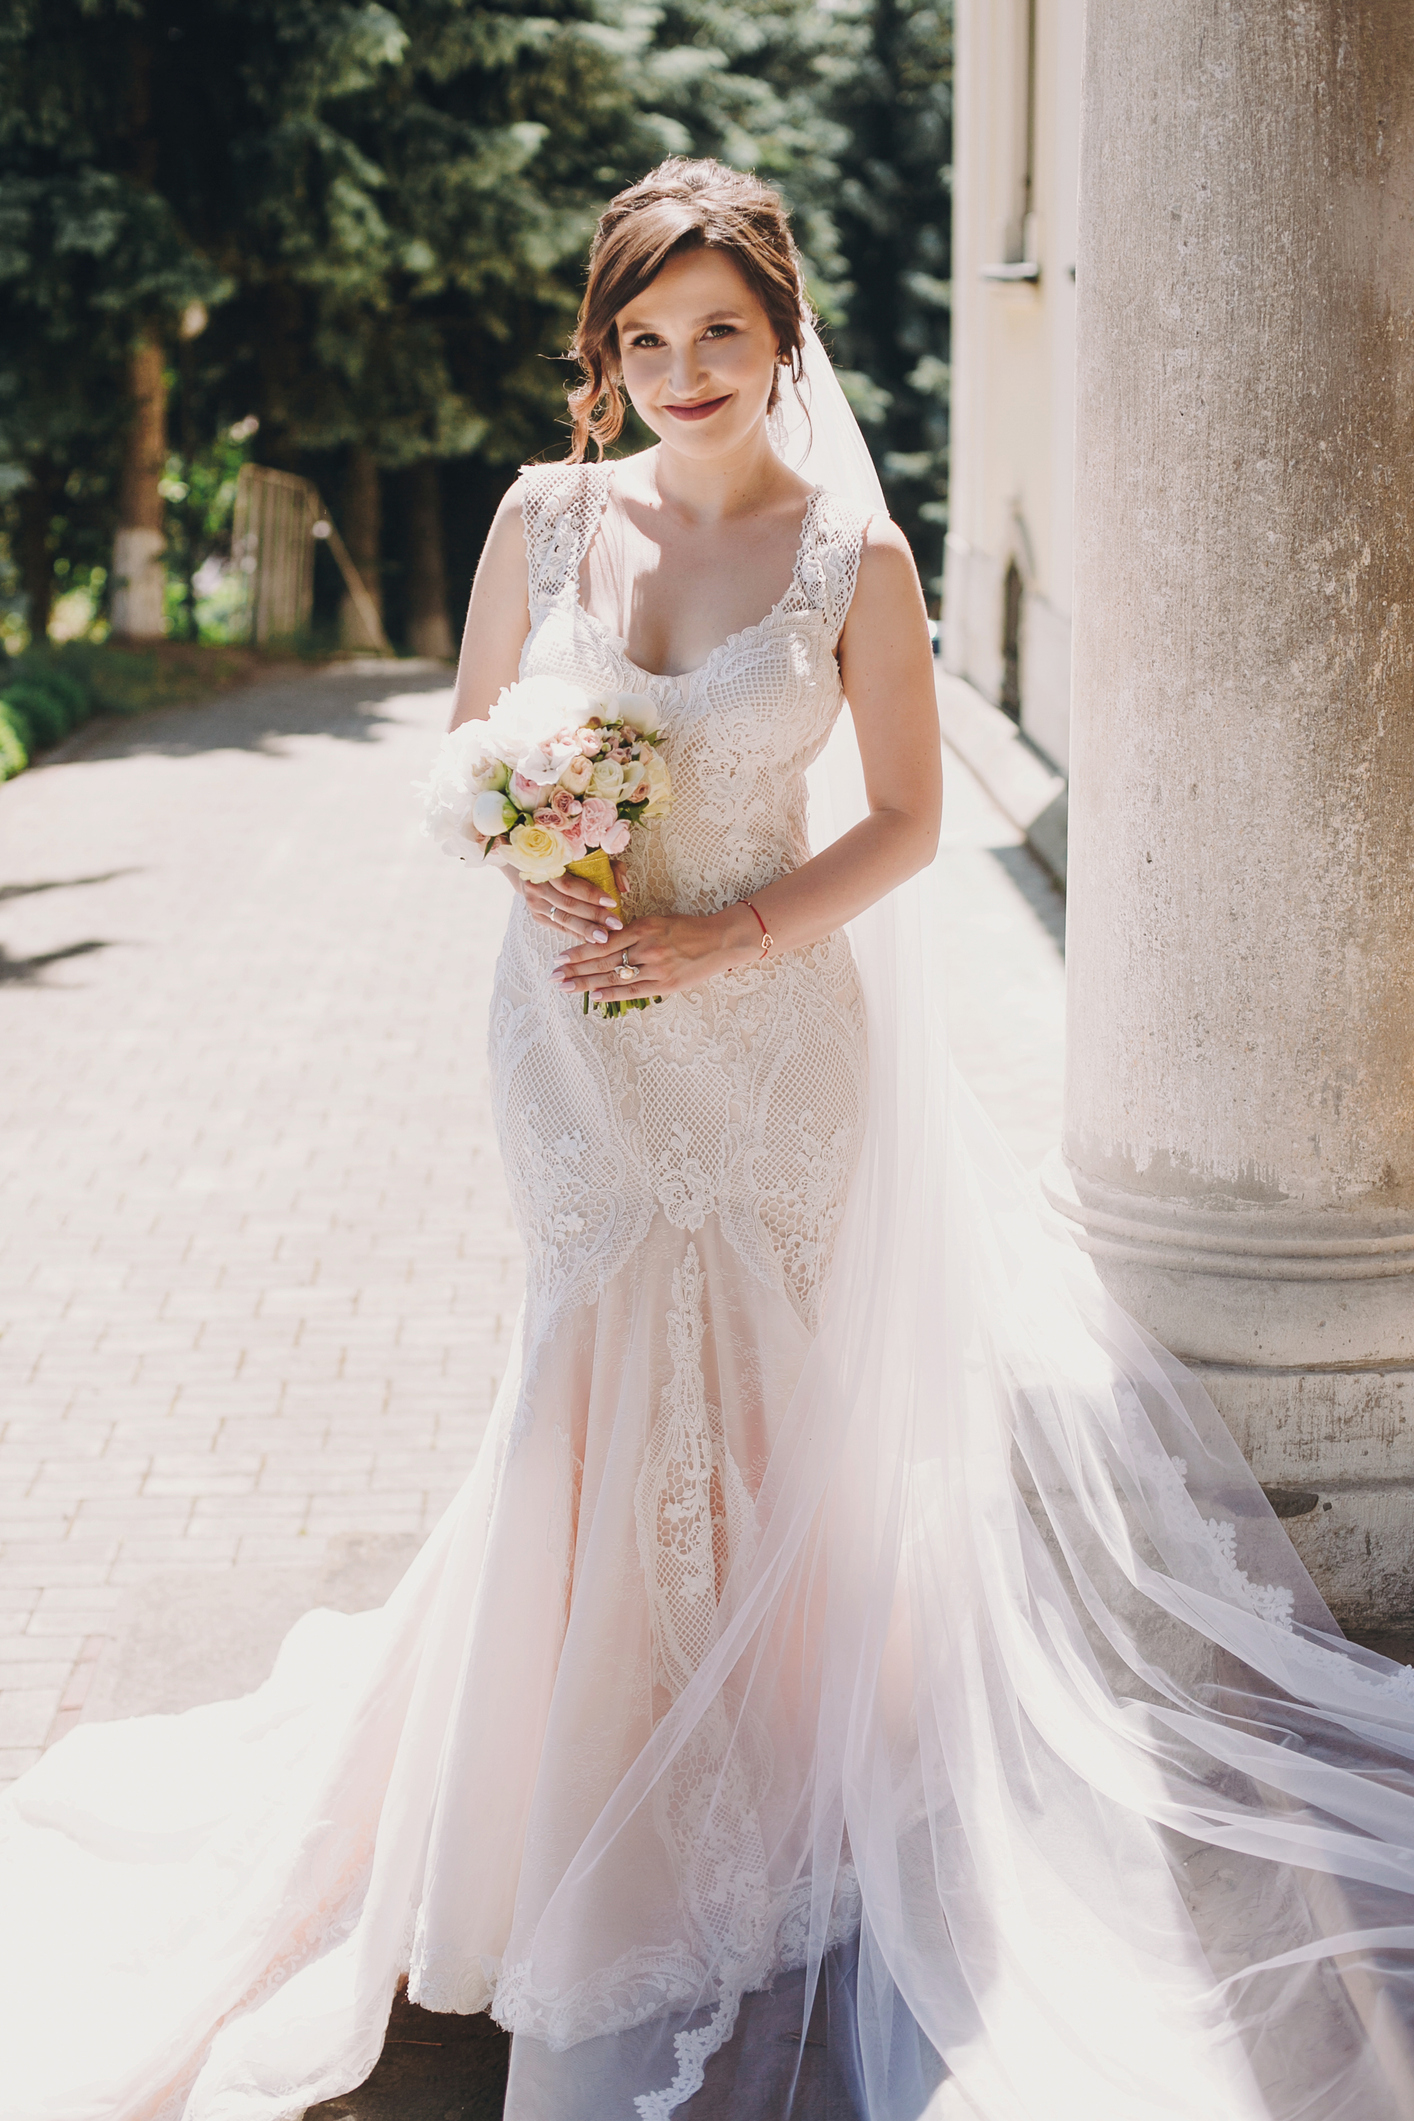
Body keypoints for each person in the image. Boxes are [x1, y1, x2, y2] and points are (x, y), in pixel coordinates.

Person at [5, 157, 1414, 2121]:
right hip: (571, 1035)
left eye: (718, 335)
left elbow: (911, 820)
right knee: (582, 1384)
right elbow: (471, 746)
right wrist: (544, 877)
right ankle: (553, 1795)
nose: (679, 372)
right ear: (606, 350)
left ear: (782, 339)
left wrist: (717, 931)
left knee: (766, 1402)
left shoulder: (857, 560)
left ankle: (765, 1779)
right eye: (643, 338)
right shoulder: (540, 517)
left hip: (771, 1038)